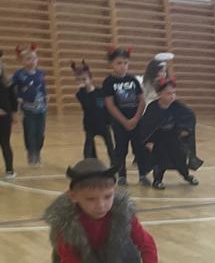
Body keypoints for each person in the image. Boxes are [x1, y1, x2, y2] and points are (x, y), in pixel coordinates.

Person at [42, 158, 159, 263]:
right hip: (81, 258)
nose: (101, 205)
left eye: (108, 196)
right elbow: (69, 258)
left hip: (117, 251)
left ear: (114, 191)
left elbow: (147, 243)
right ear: (73, 196)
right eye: (91, 199)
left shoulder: (123, 214)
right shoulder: (65, 223)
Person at [138, 78, 199, 190]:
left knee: (180, 159)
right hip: (158, 139)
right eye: (168, 93)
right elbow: (146, 126)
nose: (172, 96)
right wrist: (148, 141)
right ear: (159, 94)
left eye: (173, 93)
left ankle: (186, 175)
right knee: (160, 160)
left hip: (173, 138)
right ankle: (157, 180)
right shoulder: (153, 108)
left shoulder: (178, 106)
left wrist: (186, 130)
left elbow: (190, 116)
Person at [102, 47, 150, 186]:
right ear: (111, 64)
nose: (123, 66)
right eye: (119, 63)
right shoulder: (109, 82)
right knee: (121, 149)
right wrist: (124, 121)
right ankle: (122, 175)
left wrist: (136, 118)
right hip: (119, 122)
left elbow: (141, 101)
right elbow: (110, 105)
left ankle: (143, 175)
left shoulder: (133, 80)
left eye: (125, 63)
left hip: (136, 121)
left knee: (140, 148)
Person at [72, 60, 114, 163]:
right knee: (88, 149)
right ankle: (90, 164)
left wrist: (110, 121)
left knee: (110, 147)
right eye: (79, 80)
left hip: (103, 125)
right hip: (90, 125)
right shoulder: (80, 94)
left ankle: (115, 165)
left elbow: (107, 107)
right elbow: (86, 104)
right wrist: (81, 89)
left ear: (90, 79)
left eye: (84, 79)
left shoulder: (101, 92)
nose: (82, 82)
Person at [12, 44, 46, 166]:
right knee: (30, 132)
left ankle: (38, 151)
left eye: (34, 58)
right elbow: (13, 89)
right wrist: (17, 99)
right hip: (27, 109)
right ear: (23, 61)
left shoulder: (40, 73)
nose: (32, 61)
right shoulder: (19, 74)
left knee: (40, 133)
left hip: (41, 109)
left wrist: (46, 99)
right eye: (28, 59)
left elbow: (43, 88)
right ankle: (31, 154)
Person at [0, 49, 16, 178]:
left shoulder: (7, 81)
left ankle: (10, 169)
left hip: (5, 117)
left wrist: (14, 113)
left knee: (5, 142)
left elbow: (13, 98)